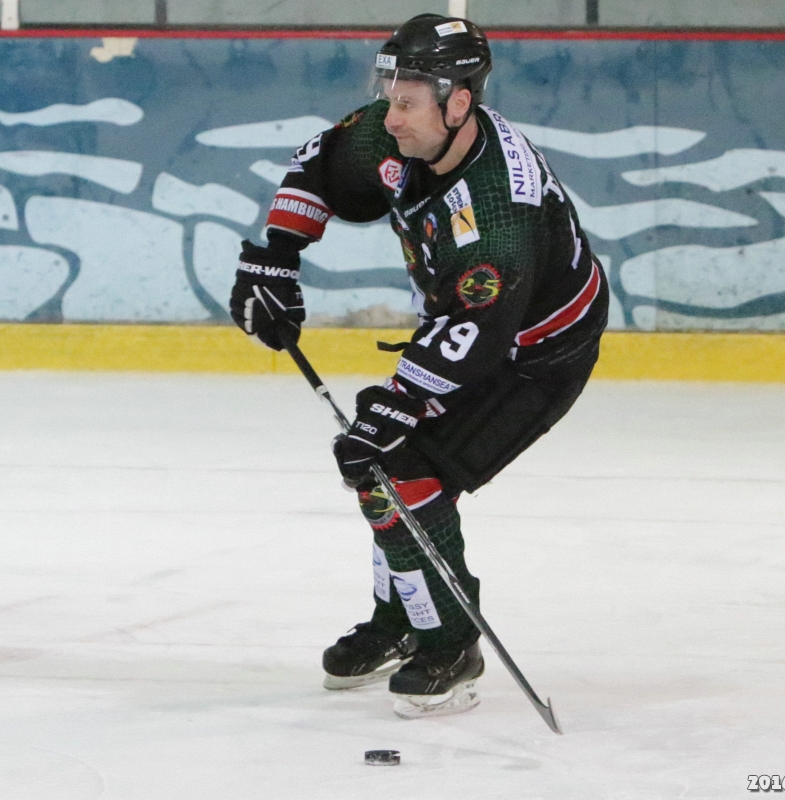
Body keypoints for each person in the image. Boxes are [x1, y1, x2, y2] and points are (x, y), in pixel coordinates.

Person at [229, 14, 608, 719]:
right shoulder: (404, 129)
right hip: (470, 323)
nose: (390, 116)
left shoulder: (499, 212)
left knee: (397, 468)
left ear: (458, 102)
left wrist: (398, 403)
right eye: (390, 95)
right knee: (386, 471)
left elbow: (477, 334)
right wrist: (274, 259)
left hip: (534, 357)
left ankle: (450, 648)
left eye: (406, 102)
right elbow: (320, 162)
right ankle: (403, 619)